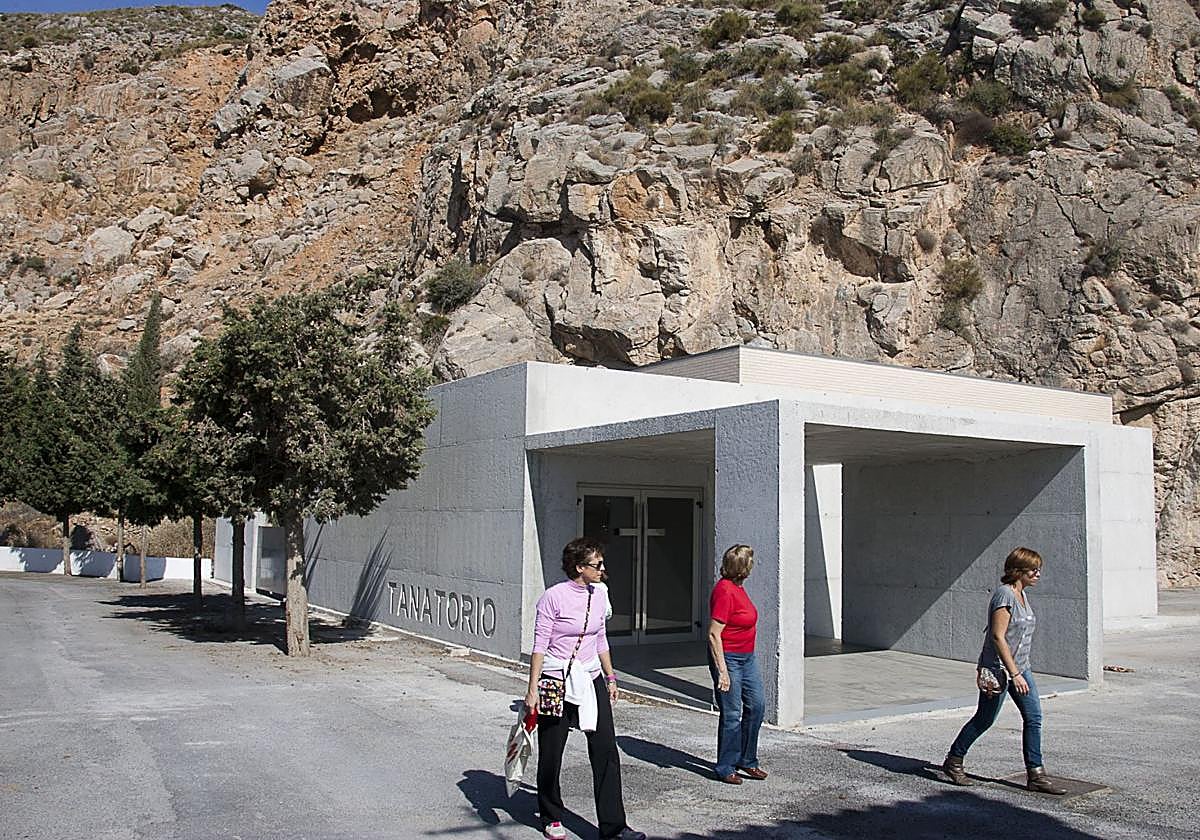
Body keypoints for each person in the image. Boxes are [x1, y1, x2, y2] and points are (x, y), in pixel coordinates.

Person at [524, 537, 646, 840]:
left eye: (602, 563)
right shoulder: (553, 597)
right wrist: (532, 689)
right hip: (555, 680)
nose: (603, 569)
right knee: (552, 752)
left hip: (590, 678)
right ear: (579, 567)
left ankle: (614, 827)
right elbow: (539, 644)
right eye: (597, 564)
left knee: (606, 750)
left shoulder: (600, 595)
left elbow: (600, 638)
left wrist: (611, 677)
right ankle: (551, 814)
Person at [942, 547, 1068, 795]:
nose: (1038, 573)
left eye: (1038, 569)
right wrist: (1015, 674)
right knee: (984, 719)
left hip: (1022, 667)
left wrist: (1021, 670)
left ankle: (1036, 775)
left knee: (1034, 718)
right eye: (1033, 569)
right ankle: (954, 761)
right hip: (999, 670)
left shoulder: (1022, 595)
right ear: (1018, 570)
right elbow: (998, 637)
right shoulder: (1005, 595)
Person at [707, 544, 767, 785]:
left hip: (747, 657)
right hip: (729, 658)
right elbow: (713, 634)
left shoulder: (739, 589)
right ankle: (725, 766)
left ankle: (747, 759)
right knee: (732, 714)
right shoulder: (725, 591)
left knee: (757, 705)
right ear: (744, 568)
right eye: (750, 562)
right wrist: (722, 671)